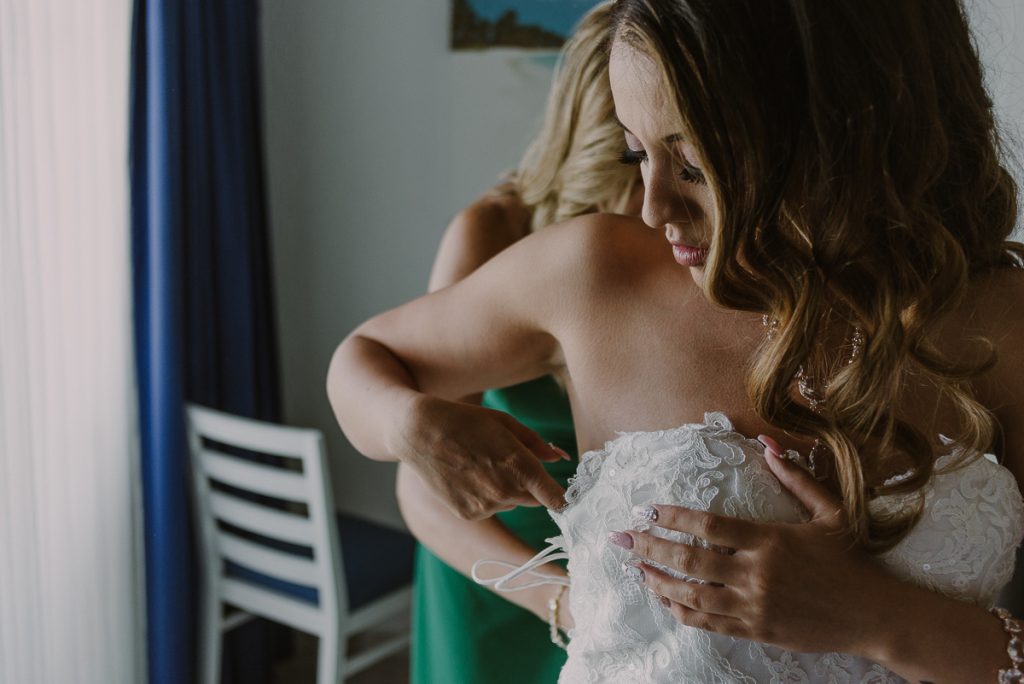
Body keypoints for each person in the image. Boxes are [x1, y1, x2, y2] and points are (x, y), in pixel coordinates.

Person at [327, 0, 1024, 681]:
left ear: (841, 132)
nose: (655, 206)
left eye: (692, 164)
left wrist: (874, 617)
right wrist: (407, 421)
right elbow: (365, 359)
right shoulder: (594, 272)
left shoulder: (1006, 319)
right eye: (638, 153)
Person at [396, 3, 640, 682]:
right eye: (638, 160)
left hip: (627, 581)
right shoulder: (492, 234)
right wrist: (559, 599)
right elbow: (418, 486)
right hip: (499, 568)